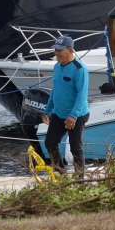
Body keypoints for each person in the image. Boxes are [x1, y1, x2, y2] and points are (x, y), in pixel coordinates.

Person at [42, 35, 90, 175]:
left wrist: (73, 115)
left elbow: (82, 95)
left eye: (60, 50)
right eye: (55, 49)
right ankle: (60, 174)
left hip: (77, 114)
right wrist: (47, 110)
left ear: (70, 50)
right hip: (58, 112)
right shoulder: (57, 67)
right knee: (50, 143)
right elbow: (55, 91)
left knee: (76, 148)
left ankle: (80, 181)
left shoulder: (79, 69)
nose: (57, 53)